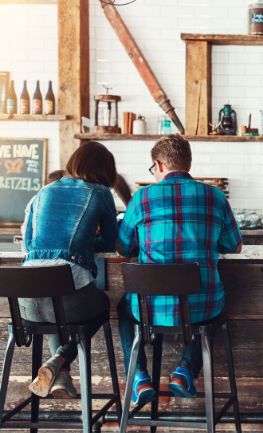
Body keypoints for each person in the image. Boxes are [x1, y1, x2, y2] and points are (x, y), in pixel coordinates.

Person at [117, 135, 243, 407]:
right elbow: (234, 245)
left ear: (159, 165)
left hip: (149, 310)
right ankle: (185, 370)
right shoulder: (215, 196)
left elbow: (123, 247)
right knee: (212, 306)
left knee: (124, 309)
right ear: (188, 163)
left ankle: (139, 376)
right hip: (202, 306)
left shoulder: (141, 198)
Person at [20, 141, 118, 399]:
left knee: (57, 312)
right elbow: (111, 242)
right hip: (67, 298)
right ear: (106, 172)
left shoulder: (43, 191)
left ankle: (60, 376)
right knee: (102, 305)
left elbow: (29, 244)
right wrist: (87, 242)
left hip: (25, 304)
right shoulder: (100, 193)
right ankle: (60, 358)